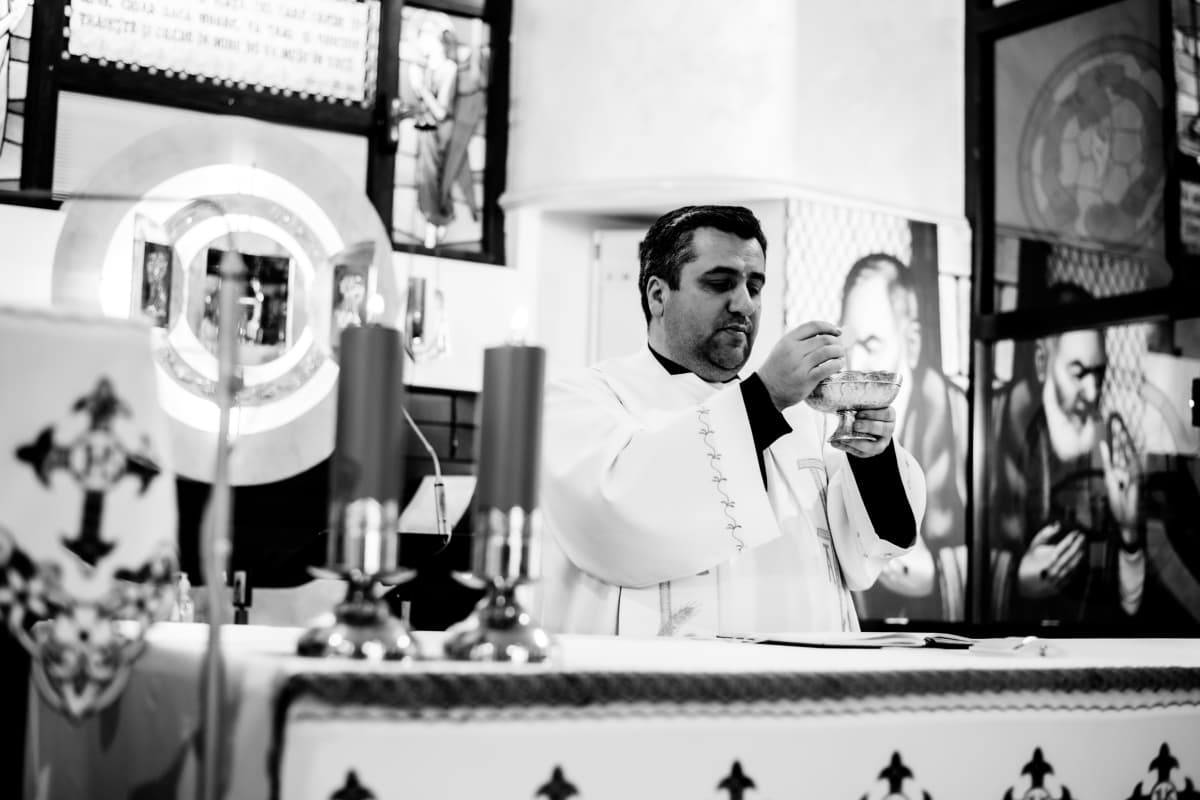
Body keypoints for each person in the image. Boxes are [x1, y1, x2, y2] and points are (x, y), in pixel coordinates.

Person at [538, 205, 927, 637]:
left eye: (754, 286)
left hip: (806, 677)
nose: (744, 304)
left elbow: (875, 547)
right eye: (720, 283)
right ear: (658, 295)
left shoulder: (808, 417)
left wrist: (874, 456)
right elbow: (615, 523)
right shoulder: (584, 401)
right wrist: (765, 398)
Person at [992, 282, 1143, 624]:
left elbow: (1131, 608)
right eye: (1078, 374)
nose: (1092, 393)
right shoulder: (996, 421)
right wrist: (1016, 579)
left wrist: (1130, 533)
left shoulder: (1110, 445)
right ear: (1042, 361)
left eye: (1100, 373)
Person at [838, 254, 968, 621]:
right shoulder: (836, 422)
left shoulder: (958, 414)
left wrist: (937, 575)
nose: (855, 365)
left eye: (871, 345)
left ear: (911, 342)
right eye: (849, 346)